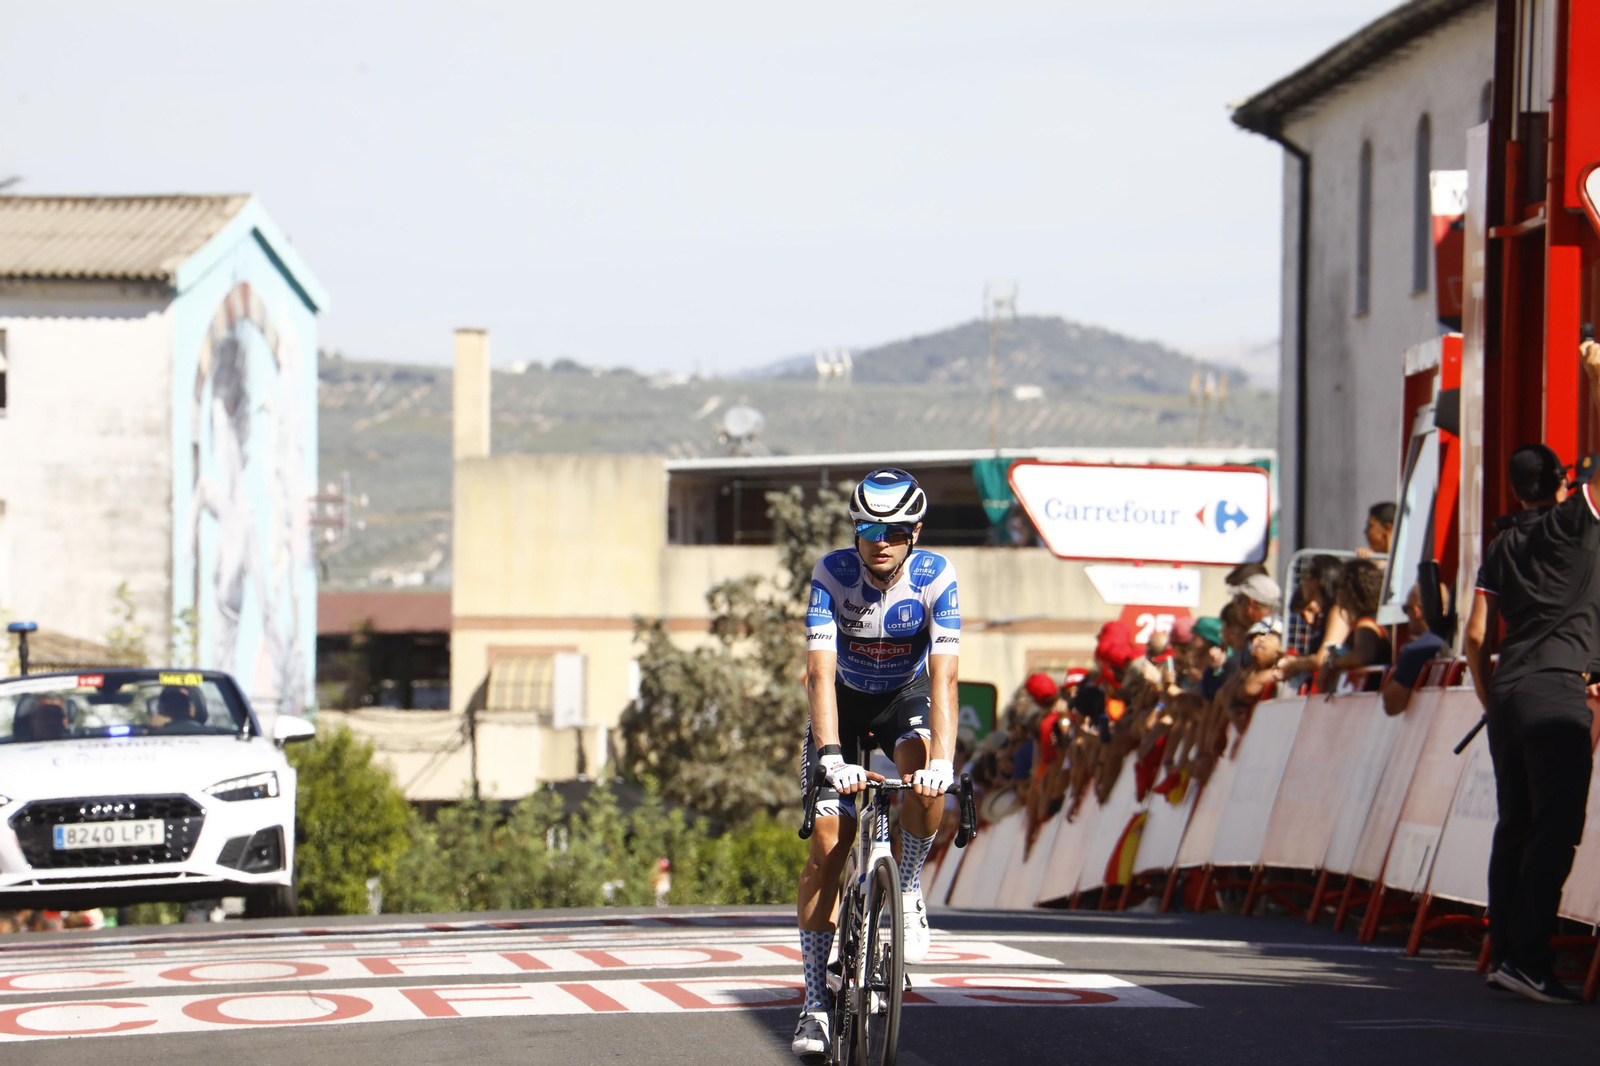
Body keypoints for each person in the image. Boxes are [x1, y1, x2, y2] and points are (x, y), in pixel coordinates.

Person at [793, 468, 960, 1057]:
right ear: (855, 531)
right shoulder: (832, 574)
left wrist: (943, 762)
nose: (880, 541)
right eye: (868, 529)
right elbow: (818, 674)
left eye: (893, 531)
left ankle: (906, 884)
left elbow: (945, 679)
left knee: (928, 781)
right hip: (841, 702)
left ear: (915, 533)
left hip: (903, 701)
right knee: (828, 843)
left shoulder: (935, 577)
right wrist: (831, 756)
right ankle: (815, 1005)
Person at [1464, 421, 1600, 1005]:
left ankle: (1504, 956)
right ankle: (1528, 959)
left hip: (1507, 690)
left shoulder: (1500, 545)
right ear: (1564, 483)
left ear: (1514, 490)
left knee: (1515, 824)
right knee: (1557, 826)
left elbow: (1474, 636)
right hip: (1555, 686)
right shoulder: (1573, 524)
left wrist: (1488, 698)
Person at [1382, 584, 1449, 716]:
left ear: (1415, 611)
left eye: (1405, 609)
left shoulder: (1414, 651)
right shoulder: (1455, 640)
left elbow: (1392, 707)